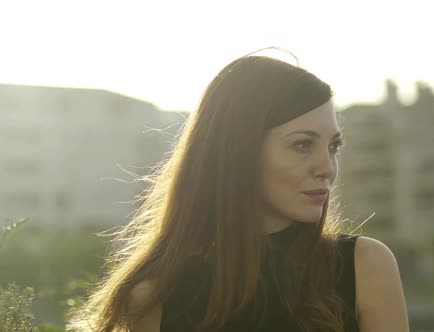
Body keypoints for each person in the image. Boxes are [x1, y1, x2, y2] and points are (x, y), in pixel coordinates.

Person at [67, 47, 409, 332]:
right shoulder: (154, 298)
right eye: (303, 145)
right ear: (239, 151)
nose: (328, 168)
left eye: (333, 146)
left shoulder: (364, 267)